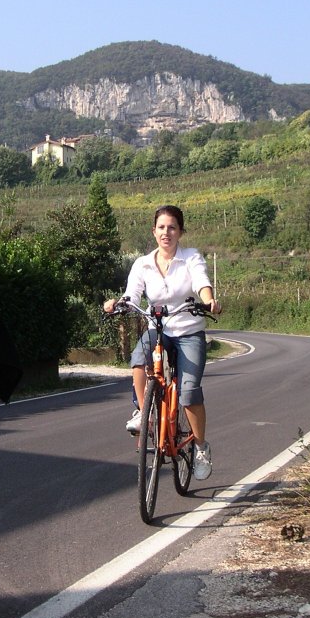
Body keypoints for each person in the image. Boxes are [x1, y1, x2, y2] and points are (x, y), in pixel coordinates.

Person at [103, 205, 221, 481]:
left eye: (172, 227)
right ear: (153, 231)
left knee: (189, 392)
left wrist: (208, 300)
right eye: (161, 227)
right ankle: (146, 414)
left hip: (188, 332)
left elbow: (202, 282)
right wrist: (118, 303)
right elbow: (133, 294)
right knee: (139, 359)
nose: (166, 232)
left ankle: (201, 447)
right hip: (159, 328)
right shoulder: (142, 264)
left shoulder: (190, 257)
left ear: (180, 231)